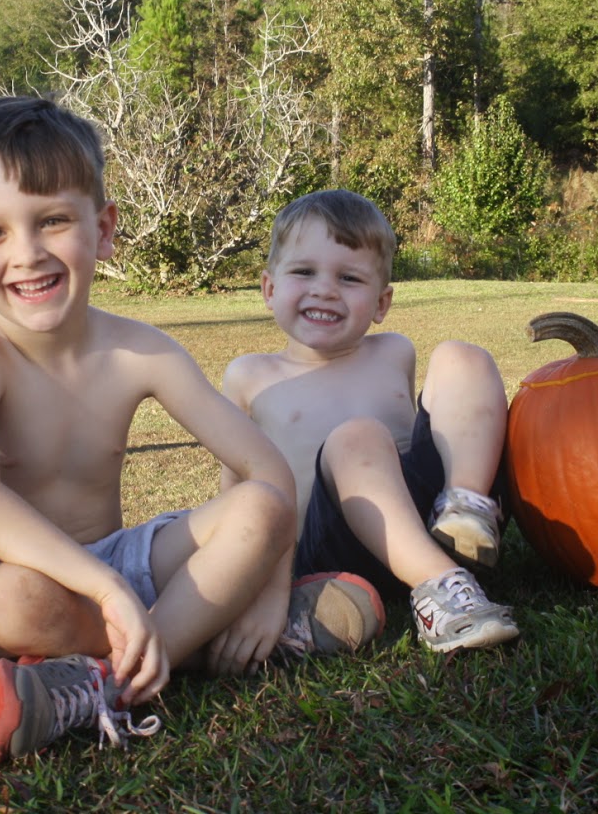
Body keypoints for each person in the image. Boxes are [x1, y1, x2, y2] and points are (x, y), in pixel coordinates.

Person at [0, 98, 384, 762]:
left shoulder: (140, 350)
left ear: (103, 229)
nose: (27, 253)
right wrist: (103, 590)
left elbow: (268, 472)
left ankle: (102, 682)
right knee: (15, 600)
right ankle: (200, 643)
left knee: (260, 506)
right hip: (7, 579)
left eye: (53, 221)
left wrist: (270, 590)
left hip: (122, 562)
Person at [221, 189, 519, 653]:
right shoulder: (251, 376)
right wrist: (240, 582)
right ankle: (441, 587)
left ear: (382, 303)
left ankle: (467, 507)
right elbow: (236, 491)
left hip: (424, 519)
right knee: (357, 437)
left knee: (463, 357)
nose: (325, 289)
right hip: (335, 549)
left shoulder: (394, 351)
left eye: (349, 278)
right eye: (304, 272)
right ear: (270, 289)